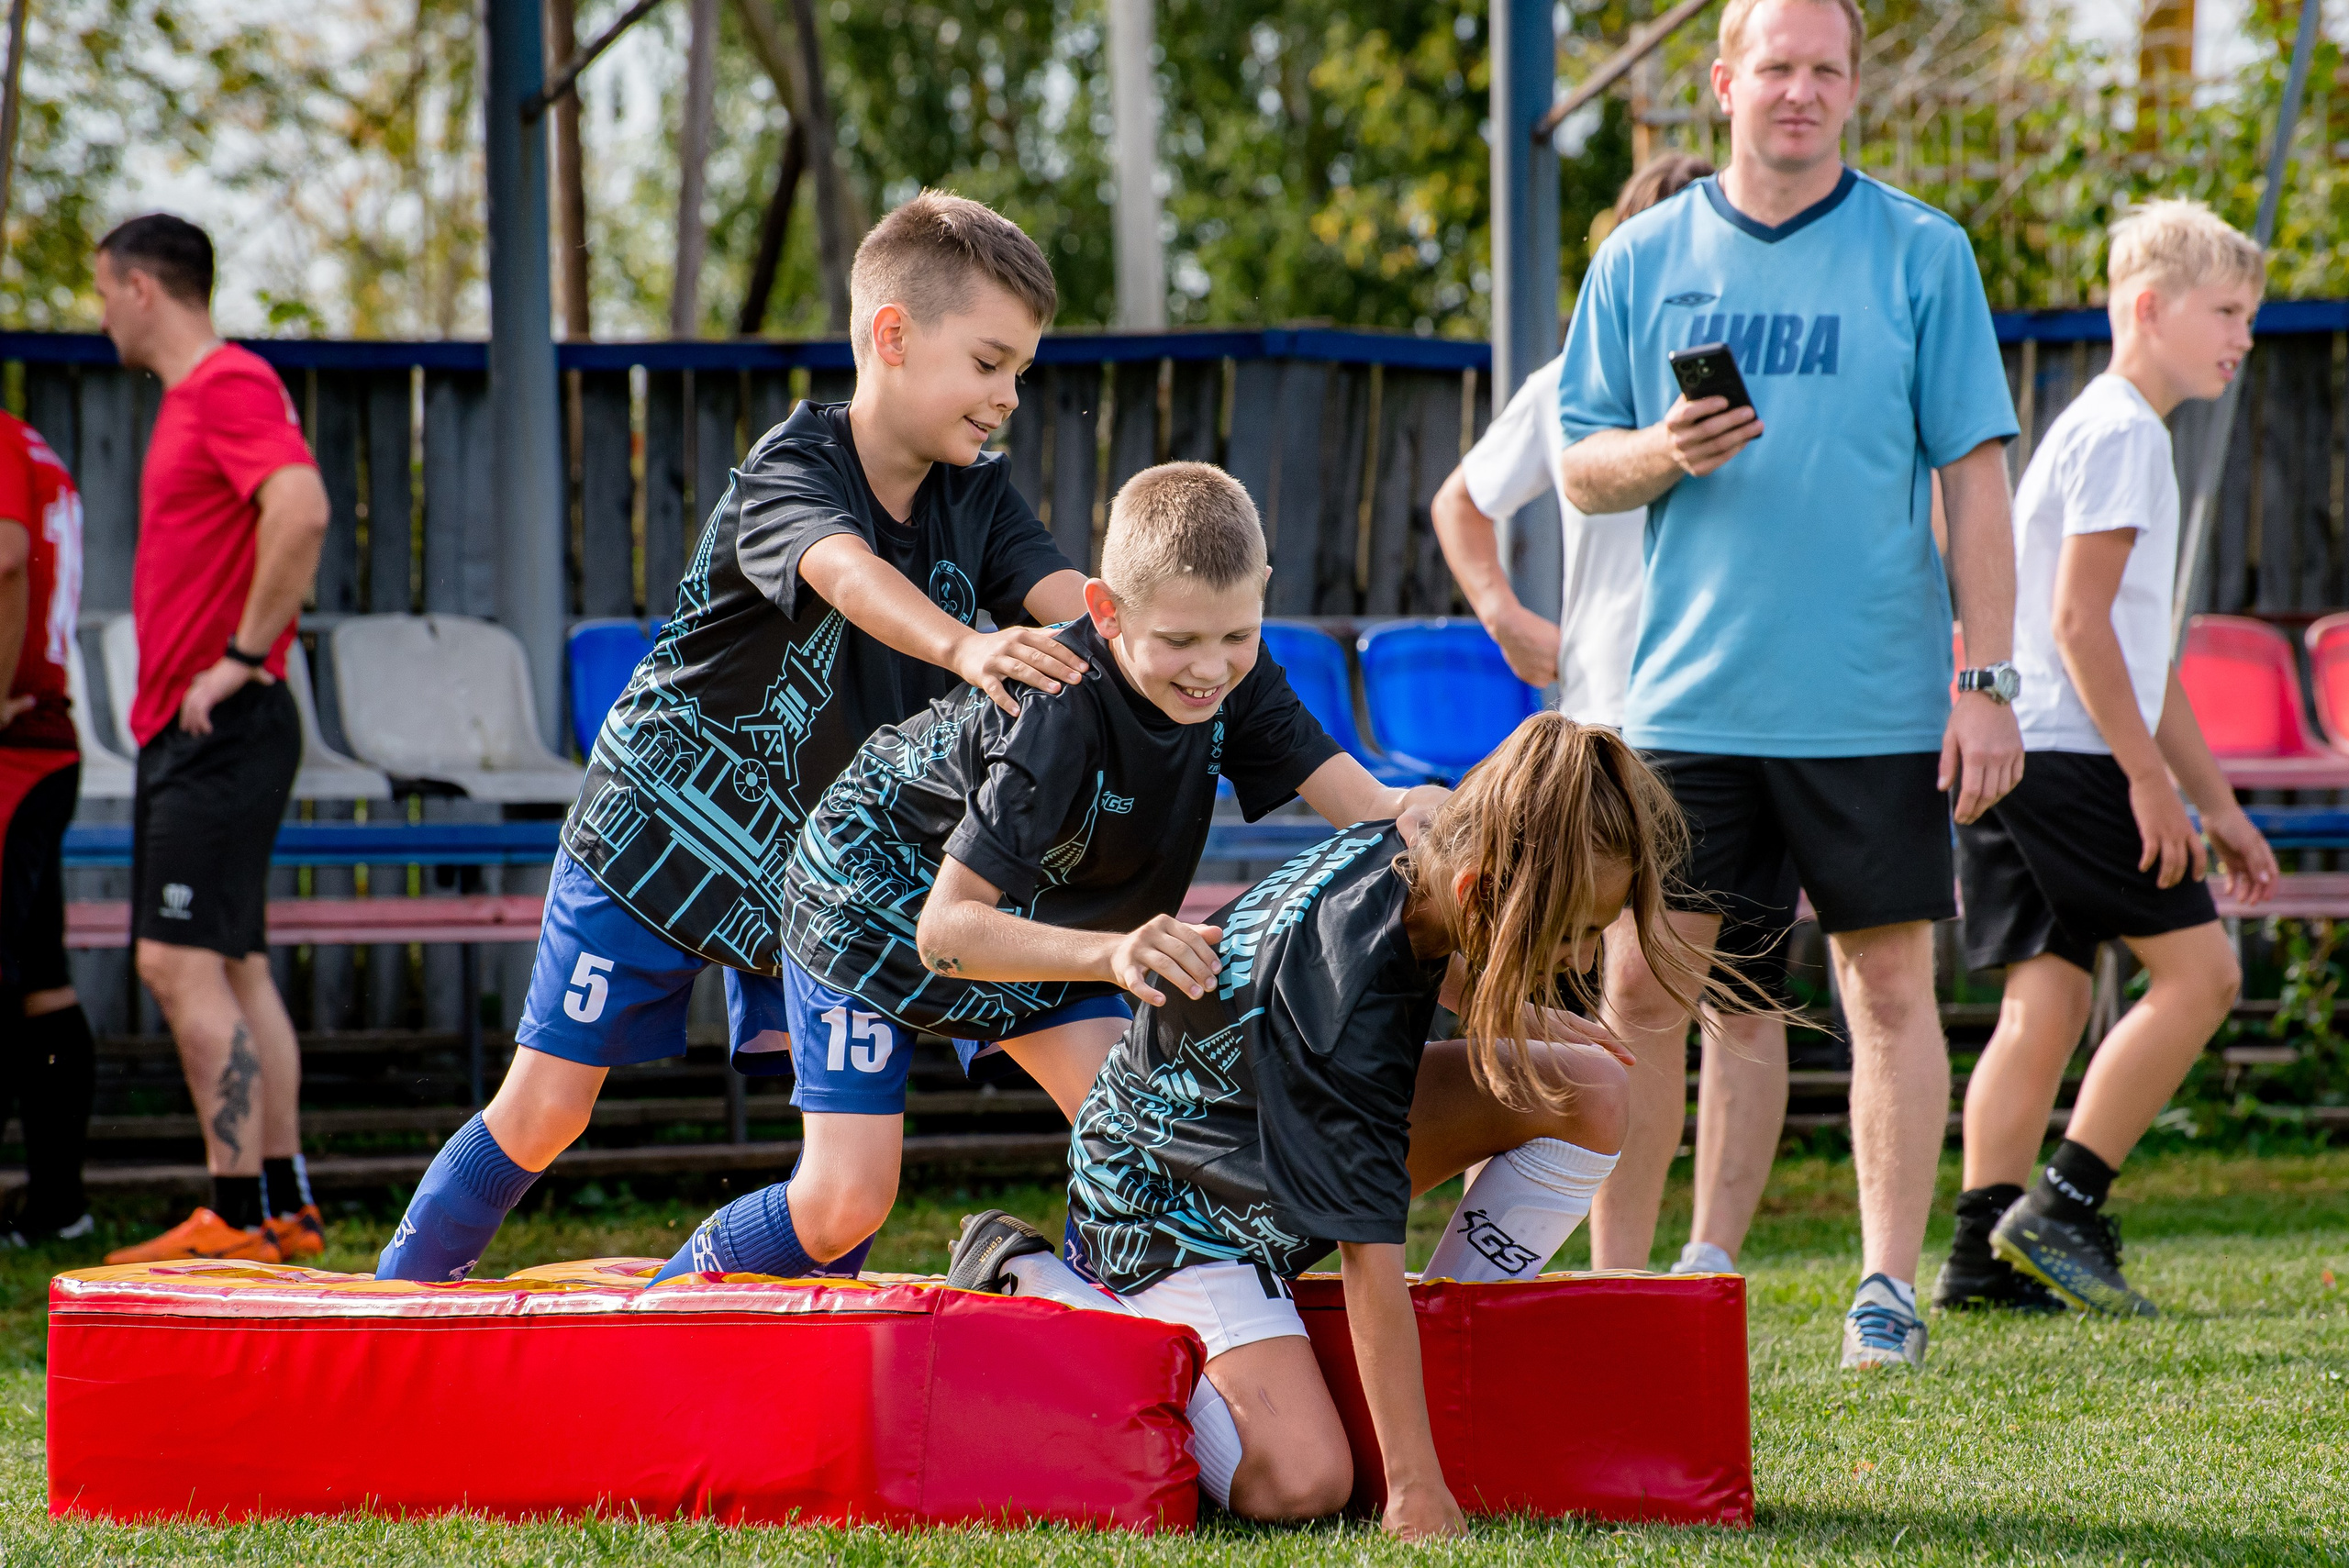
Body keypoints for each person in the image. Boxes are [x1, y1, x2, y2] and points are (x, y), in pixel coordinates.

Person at [377, 191, 1097, 1283]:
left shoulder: (980, 498)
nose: (1008, 396)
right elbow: (845, 572)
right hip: (658, 830)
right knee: (545, 1107)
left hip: (818, 870)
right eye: (990, 363)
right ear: (892, 335)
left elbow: (1073, 605)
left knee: (843, 1167)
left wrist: (1162, 641)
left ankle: (729, 1352)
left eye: (1022, 373)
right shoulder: (790, 469)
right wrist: (964, 645)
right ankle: (392, 1315)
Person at [947, 717, 1755, 1536]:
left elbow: (1434, 941)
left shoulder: (1425, 834)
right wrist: (1413, 1487)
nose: (1582, 960)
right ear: (1479, 890)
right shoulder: (1341, 1011)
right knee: (1301, 1481)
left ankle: (1451, 1340)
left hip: (1264, 1143)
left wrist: (1513, 1008)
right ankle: (1042, 1282)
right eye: (1574, 932)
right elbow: (1369, 1255)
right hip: (1170, 1211)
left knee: (1590, 1088)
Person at [648, 462, 1449, 1284]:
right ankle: (659, 1312)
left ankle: (1070, 1320)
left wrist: (1418, 809)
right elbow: (945, 932)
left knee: (1144, 1145)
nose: (1210, 667)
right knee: (844, 1200)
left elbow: (1365, 805)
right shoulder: (1058, 709)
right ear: (1105, 610)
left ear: (1261, 595)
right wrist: (1111, 952)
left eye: (1236, 636)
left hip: (1045, 917)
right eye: (1179, 642)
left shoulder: (1235, 676)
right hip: (871, 900)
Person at [1553, 0, 2025, 1369]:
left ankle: (1885, 1292)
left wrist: (1986, 679)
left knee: (1887, 992)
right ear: (1724, 82)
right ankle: (1621, 1291)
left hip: (1874, 701)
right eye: (1778, 67)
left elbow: (1975, 482)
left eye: (1827, 69)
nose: (1801, 91)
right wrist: (1665, 449)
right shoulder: (1641, 256)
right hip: (1687, 702)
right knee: (1642, 996)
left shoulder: (1924, 252)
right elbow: (1580, 466)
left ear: (1854, 88)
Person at [1433, 149, 1797, 1279]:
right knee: (1628, 992)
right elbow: (1460, 500)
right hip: (1612, 723)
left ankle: (1709, 1256)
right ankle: (1616, 1268)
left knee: (1744, 993)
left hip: (1749, 714)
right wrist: (1504, 614)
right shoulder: (1563, 384)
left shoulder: (1776, 388)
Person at [1939, 200, 2278, 1318]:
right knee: (2203, 974)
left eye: (2248, 315)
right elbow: (2082, 626)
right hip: (2074, 754)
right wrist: (2145, 781)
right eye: (2225, 312)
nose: (2241, 336)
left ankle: (1979, 1256)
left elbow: (2143, 656)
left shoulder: (2098, 425)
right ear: (2149, 307)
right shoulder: (2128, 434)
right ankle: (2066, 1205)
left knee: (2043, 997)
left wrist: (2216, 802)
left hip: (2027, 751)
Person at [93, 215, 331, 1266]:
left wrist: (238, 654)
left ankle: (231, 1217)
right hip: (207, 728)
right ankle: (281, 1207)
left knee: (175, 960)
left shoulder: (224, 384)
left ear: (142, 287)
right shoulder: (204, 394)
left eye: (105, 291)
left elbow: (302, 508)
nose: (102, 314)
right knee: (235, 968)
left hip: (219, 726)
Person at [0, 406, 95, 1245]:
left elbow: (5, 559)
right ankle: (58, 1204)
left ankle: (56, 1203)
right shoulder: (36, 444)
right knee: (40, 978)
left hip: (16, 747)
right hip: (46, 739)